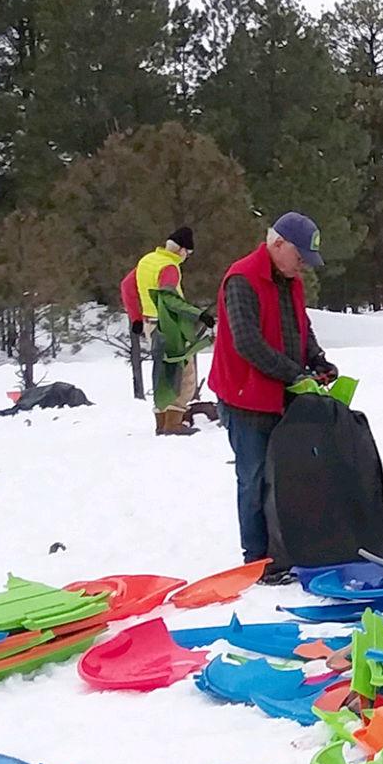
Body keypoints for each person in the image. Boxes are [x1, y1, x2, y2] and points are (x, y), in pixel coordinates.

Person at [208, 212, 337, 582]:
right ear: (278, 244)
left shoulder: (290, 281)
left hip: (281, 396)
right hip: (244, 398)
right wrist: (294, 374)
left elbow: (300, 325)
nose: (302, 266)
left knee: (283, 477)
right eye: (299, 257)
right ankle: (257, 559)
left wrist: (316, 359)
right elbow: (247, 342)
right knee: (253, 478)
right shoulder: (242, 279)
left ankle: (284, 548)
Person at [119, 227, 212, 434]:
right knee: (184, 375)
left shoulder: (147, 261)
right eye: (188, 253)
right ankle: (173, 423)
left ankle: (161, 423)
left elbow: (127, 286)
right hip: (170, 325)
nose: (187, 257)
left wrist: (136, 318)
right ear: (181, 250)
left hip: (151, 324)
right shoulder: (170, 268)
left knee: (162, 374)